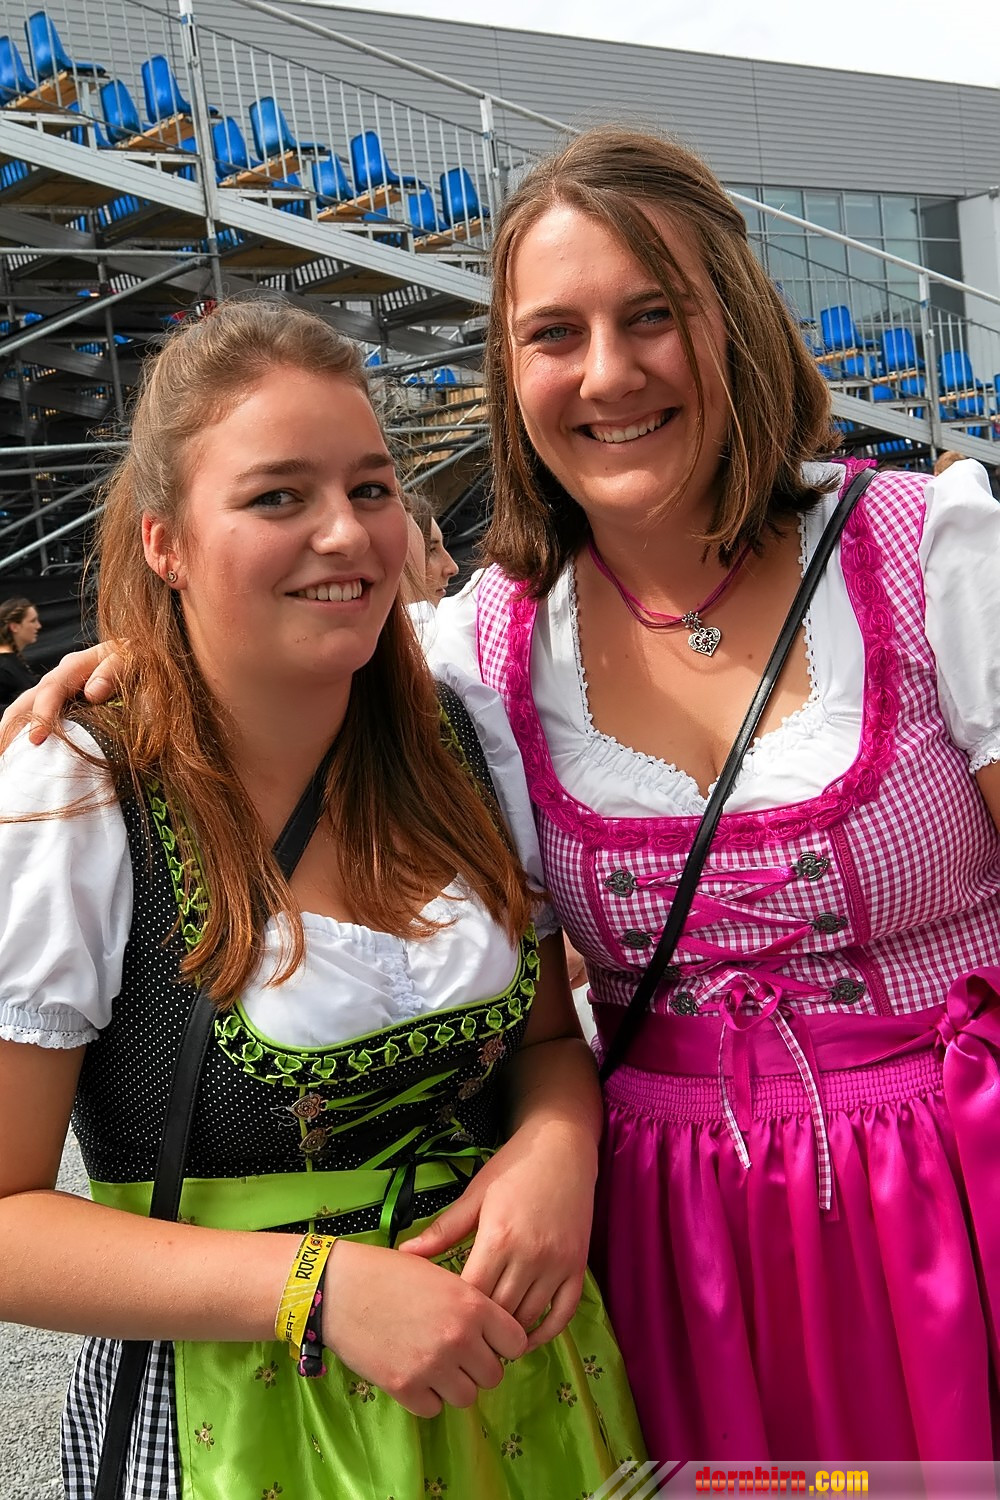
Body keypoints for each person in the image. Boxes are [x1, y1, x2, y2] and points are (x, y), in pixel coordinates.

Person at [17, 128, 1000, 1464]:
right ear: (509, 371)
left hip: (950, 1198)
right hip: (672, 1250)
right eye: (553, 333)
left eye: (652, 315)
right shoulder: (487, 653)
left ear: (736, 323)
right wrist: (144, 659)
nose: (608, 373)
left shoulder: (932, 554)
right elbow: (282, 639)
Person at [0, 298, 642, 1500]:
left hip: (518, 1389)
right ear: (164, 543)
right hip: (240, 1426)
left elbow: (547, 1047)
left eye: (371, 488)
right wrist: (318, 1286)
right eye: (277, 497)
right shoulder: (81, 793)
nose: (345, 533)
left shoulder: (458, 736)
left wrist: (558, 1150)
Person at [0, 596, 41, 711]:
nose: (38, 626)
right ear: (14, 627)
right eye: (32, 621)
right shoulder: (3, 667)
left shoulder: (14, 661)